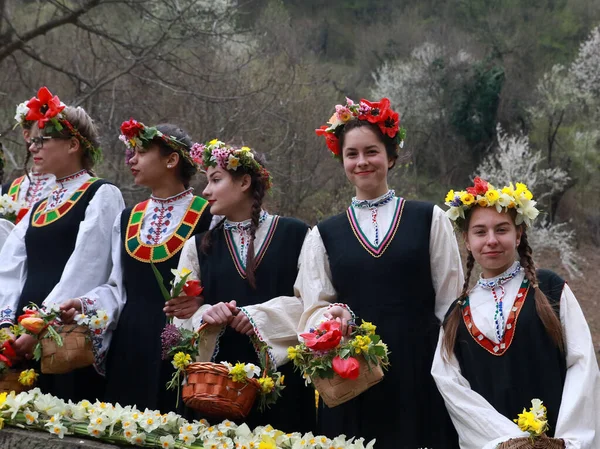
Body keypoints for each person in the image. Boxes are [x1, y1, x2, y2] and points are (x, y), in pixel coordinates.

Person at [295, 97, 463, 449]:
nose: (361, 162)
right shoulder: (323, 235)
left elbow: (450, 303)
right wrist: (331, 318)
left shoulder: (429, 219)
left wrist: (448, 374)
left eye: (371, 151)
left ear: (391, 156)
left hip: (420, 374)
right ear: (341, 160)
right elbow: (313, 309)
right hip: (354, 376)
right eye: (351, 154)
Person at [431, 177, 600, 449]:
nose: (491, 240)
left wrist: (567, 442)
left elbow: (582, 365)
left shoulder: (550, 289)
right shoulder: (457, 315)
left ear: (518, 235)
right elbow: (453, 388)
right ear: (466, 240)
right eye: (480, 231)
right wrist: (507, 441)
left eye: (501, 229)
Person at [60, 119, 213, 412]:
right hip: (129, 340)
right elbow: (117, 287)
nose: (132, 159)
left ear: (171, 160)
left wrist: (202, 303)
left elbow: (218, 280)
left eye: (141, 152)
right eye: (132, 152)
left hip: (177, 341)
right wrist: (84, 304)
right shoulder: (128, 218)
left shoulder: (207, 216)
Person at [175, 140, 316, 432]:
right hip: (213, 391)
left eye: (215, 180)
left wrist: (258, 317)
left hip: (281, 387)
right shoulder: (197, 247)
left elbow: (313, 305)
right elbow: (177, 322)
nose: (205, 191)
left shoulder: (296, 234)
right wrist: (205, 315)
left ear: (245, 182)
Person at [0, 86, 125, 402]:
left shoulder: (101, 194)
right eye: (32, 140)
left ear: (73, 145)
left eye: (42, 140)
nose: (32, 146)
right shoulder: (41, 203)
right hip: (22, 337)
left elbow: (87, 268)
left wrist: (40, 325)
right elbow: (11, 267)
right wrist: (6, 325)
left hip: (66, 338)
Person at [0, 100, 55, 214]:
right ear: (27, 135)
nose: (34, 148)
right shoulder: (8, 191)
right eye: (37, 139)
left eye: (45, 139)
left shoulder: (72, 189)